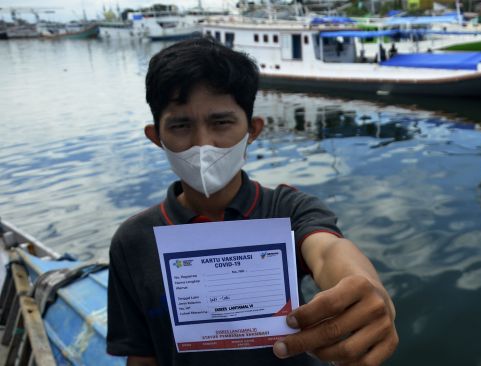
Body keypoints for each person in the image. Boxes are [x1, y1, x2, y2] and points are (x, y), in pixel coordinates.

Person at [106, 37, 398, 366]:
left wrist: (365, 287)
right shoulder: (133, 241)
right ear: (156, 137)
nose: (203, 145)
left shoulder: (288, 210)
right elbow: (143, 355)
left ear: (253, 130)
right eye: (180, 125)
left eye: (221, 122)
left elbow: (328, 249)